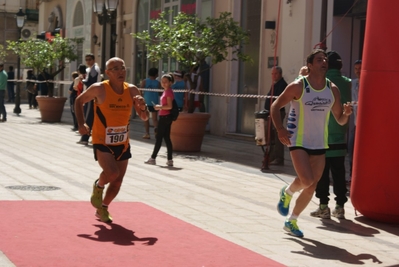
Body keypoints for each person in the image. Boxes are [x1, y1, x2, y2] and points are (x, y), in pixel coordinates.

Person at [270, 49, 352, 237]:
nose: (323, 62)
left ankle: (291, 221)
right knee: (307, 180)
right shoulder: (298, 86)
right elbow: (275, 106)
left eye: (325, 59)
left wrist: (346, 114)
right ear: (310, 65)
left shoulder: (332, 89)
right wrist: (280, 129)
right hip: (298, 140)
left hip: (320, 143)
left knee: (311, 186)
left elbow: (339, 119)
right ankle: (288, 192)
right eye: (318, 59)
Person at [74, 57, 149, 223]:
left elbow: (144, 117)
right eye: (115, 68)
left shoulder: (132, 90)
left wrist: (143, 107)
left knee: (117, 182)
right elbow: (79, 100)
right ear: (107, 73)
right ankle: (99, 186)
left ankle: (103, 209)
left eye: (122, 67)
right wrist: (81, 124)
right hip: (102, 140)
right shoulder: (99, 89)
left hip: (122, 143)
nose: (121, 71)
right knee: (112, 173)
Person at [310, 51, 351, 220]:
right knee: (339, 173)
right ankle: (340, 207)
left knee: (321, 173)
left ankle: (323, 206)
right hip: (340, 135)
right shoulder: (348, 83)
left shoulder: (323, 83)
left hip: (322, 136)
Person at [145, 73, 175, 167]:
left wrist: (159, 107)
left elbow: (169, 106)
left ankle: (153, 158)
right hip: (165, 117)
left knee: (159, 138)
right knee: (166, 138)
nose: (163, 83)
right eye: (162, 81)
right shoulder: (166, 91)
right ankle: (169, 159)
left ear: (170, 82)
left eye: (166, 82)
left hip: (165, 117)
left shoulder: (168, 92)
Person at [265, 66, 288, 165]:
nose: (273, 76)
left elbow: (278, 100)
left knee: (278, 135)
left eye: (275, 74)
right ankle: (272, 156)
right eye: (272, 74)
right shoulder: (275, 84)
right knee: (271, 136)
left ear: (280, 74)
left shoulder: (283, 85)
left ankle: (279, 158)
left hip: (278, 112)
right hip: (270, 112)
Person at [77, 53, 102, 145]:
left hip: (92, 96)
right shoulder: (91, 69)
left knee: (88, 117)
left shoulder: (94, 70)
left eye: (89, 59)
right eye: (86, 59)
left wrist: (82, 80)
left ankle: (85, 138)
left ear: (93, 60)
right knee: (92, 117)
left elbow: (92, 83)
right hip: (91, 96)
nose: (88, 61)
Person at [348, 59, 362, 185]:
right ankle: (352, 176)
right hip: (356, 124)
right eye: (356, 69)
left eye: (360, 69)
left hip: (366, 126)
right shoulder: (353, 83)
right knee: (351, 150)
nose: (358, 72)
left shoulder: (369, 83)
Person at [140, 67, 160, 139]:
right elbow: (160, 92)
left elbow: (141, 90)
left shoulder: (145, 81)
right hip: (155, 102)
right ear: (155, 74)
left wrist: (141, 98)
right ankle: (156, 132)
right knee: (155, 119)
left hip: (146, 101)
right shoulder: (158, 83)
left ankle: (147, 133)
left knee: (146, 118)